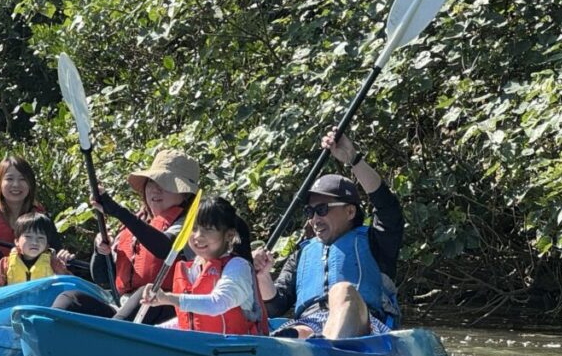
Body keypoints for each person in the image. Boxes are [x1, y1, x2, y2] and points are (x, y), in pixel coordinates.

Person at [253, 130, 403, 339]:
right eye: (310, 212)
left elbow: (388, 207)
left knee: (343, 290)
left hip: (365, 328)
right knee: (296, 331)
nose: (314, 219)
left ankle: (328, 347)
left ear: (350, 212)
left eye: (322, 209)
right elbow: (275, 306)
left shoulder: (376, 241)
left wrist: (353, 159)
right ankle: (307, 344)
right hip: (310, 325)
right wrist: (262, 276)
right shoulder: (302, 254)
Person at [51, 149, 206, 324]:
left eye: (166, 184)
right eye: (152, 182)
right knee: (70, 299)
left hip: (166, 309)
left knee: (148, 292)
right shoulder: (136, 224)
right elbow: (103, 279)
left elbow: (165, 248)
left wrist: (117, 211)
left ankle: (112, 335)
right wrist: (100, 251)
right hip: (125, 311)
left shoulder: (192, 225)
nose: (156, 189)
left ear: (185, 194)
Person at [140, 196, 269, 335]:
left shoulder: (238, 267)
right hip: (201, 345)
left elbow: (217, 303)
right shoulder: (194, 268)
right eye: (194, 228)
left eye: (208, 229)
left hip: (238, 346)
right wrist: (149, 333)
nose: (198, 236)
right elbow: (190, 321)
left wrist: (168, 298)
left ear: (229, 235)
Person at [0, 212, 71, 290]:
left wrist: (64, 264)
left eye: (40, 238)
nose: (35, 242)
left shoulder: (54, 263)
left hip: (43, 304)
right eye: (28, 237)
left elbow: (69, 282)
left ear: (47, 244)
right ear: (17, 242)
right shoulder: (6, 263)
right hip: (16, 304)